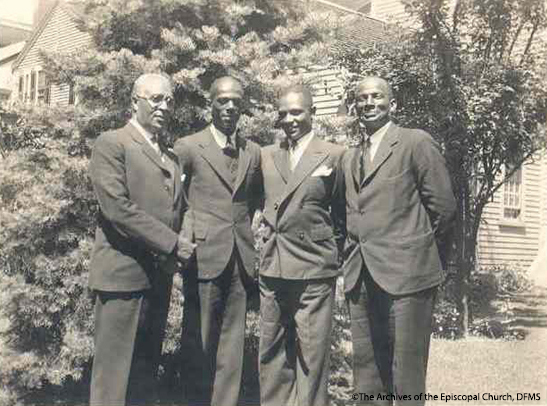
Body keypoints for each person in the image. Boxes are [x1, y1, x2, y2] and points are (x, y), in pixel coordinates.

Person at [338, 76, 456, 405]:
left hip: (409, 280)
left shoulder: (415, 143)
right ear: (354, 106)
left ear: (393, 104)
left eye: (377, 97)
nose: (369, 103)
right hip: (361, 277)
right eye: (362, 98)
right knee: (367, 374)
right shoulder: (350, 157)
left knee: (406, 377)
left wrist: (422, 258)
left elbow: (444, 210)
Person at [88, 73, 196, 406]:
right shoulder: (112, 143)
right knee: (114, 380)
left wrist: (185, 239)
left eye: (169, 100)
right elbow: (117, 209)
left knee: (143, 376)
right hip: (121, 279)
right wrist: (173, 244)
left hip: (156, 279)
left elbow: (185, 208)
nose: (164, 106)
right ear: (135, 102)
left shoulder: (171, 156)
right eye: (155, 99)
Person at [174, 76, 263, 406]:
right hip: (204, 258)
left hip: (240, 258)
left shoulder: (252, 152)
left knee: (232, 345)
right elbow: (175, 199)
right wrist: (185, 239)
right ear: (209, 104)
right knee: (199, 340)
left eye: (235, 101)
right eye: (222, 101)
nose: (229, 107)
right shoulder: (188, 147)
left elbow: (254, 201)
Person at [258, 85, 345, 406]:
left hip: (313, 271)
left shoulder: (334, 155)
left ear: (313, 113)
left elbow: (344, 214)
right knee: (272, 351)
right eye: (283, 114)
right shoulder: (267, 155)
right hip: (273, 267)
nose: (289, 119)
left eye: (297, 112)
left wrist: (330, 256)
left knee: (312, 353)